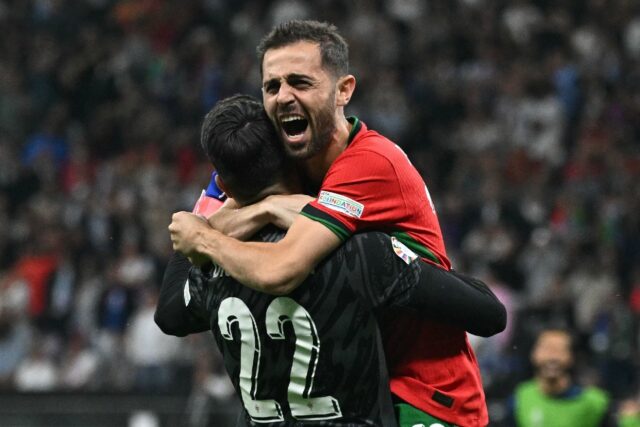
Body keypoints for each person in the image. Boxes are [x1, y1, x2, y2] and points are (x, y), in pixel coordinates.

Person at [169, 20, 498, 426]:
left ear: (344, 90)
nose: (284, 96)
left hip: (422, 395)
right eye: (272, 86)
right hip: (348, 391)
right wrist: (261, 209)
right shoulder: (275, 156)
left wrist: (226, 227)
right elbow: (174, 292)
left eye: (300, 83)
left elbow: (278, 268)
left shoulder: (370, 164)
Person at [511, 328, 613, 427]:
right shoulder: (520, 398)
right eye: (546, 348)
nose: (552, 357)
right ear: (533, 354)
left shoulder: (595, 403)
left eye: (560, 350)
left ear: (572, 357)